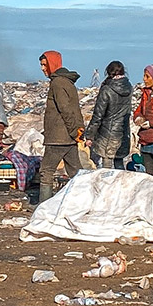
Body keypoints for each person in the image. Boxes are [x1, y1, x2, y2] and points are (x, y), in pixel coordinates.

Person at [38, 50, 84, 204]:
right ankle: (81, 202)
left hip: (58, 137)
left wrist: (73, 130)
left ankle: (44, 205)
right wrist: (76, 132)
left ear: (52, 63)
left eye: (45, 65)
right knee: (76, 172)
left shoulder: (58, 83)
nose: (43, 68)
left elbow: (66, 109)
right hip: (69, 137)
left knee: (46, 171)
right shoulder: (66, 82)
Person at [84, 61, 132, 169]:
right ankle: (120, 185)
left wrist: (90, 135)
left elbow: (98, 115)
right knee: (119, 164)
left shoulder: (107, 89)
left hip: (107, 133)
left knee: (107, 167)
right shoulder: (129, 88)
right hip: (123, 132)